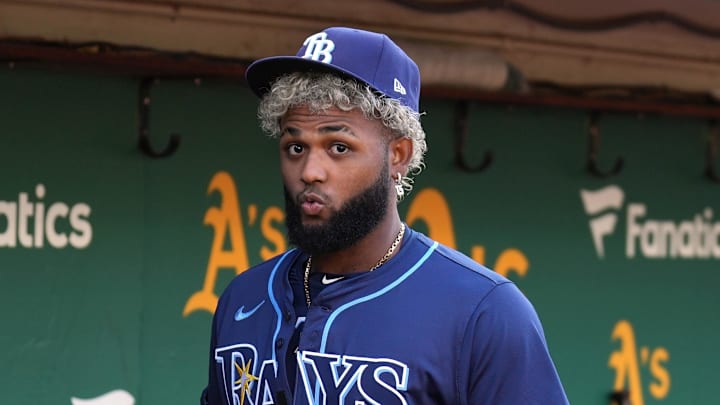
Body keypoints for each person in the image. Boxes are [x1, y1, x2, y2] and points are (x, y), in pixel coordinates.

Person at [201, 26, 569, 405]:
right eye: (296, 146)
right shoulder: (244, 297)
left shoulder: (485, 312)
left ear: (399, 155)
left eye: (339, 146)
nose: (310, 171)